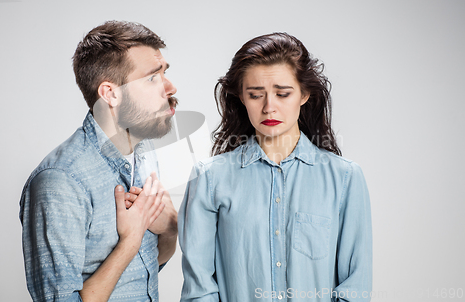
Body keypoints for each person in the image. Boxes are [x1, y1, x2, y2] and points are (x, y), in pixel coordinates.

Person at [178, 33, 372, 301]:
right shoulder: (209, 179)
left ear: (304, 94)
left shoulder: (345, 178)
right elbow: (199, 289)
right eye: (256, 95)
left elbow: (354, 288)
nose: (269, 107)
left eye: (283, 93)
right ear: (242, 98)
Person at [20, 21, 179, 302]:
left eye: (165, 73)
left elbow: (144, 271)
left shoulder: (144, 151)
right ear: (110, 93)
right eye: (153, 77)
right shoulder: (60, 181)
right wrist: (129, 241)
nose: (170, 86)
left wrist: (169, 229)